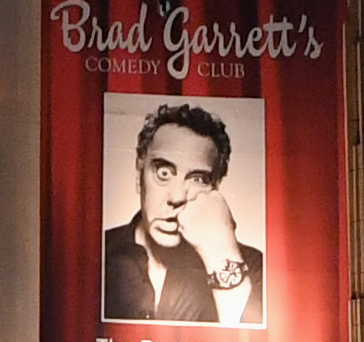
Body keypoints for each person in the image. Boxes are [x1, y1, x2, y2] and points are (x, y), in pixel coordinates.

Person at [103, 101, 265, 326]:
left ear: (215, 188)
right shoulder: (94, 254)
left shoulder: (253, 267)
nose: (177, 196)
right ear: (139, 175)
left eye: (198, 179)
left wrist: (222, 256)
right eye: (164, 172)